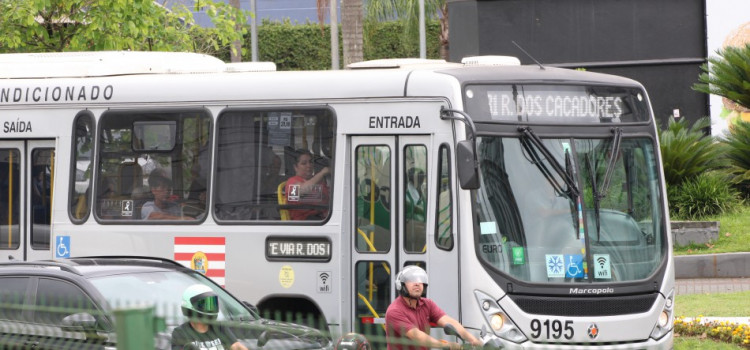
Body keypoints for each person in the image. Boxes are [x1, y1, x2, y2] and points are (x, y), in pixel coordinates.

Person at [385, 266, 482, 350]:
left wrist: (473, 340)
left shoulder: (427, 304)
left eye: (420, 280)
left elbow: (449, 322)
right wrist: (445, 345)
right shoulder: (394, 311)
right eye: (411, 281)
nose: (417, 283)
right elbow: (417, 336)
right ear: (400, 285)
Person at [171, 284, 248, 350]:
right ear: (189, 307)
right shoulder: (180, 333)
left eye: (212, 303)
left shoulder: (219, 327)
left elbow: (236, 346)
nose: (211, 308)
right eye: (205, 305)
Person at [285, 149, 330, 220]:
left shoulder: (316, 180)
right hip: (305, 223)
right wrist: (321, 173)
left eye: (310, 162)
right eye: (304, 163)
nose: (309, 165)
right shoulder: (292, 182)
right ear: (295, 167)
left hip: (324, 217)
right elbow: (303, 190)